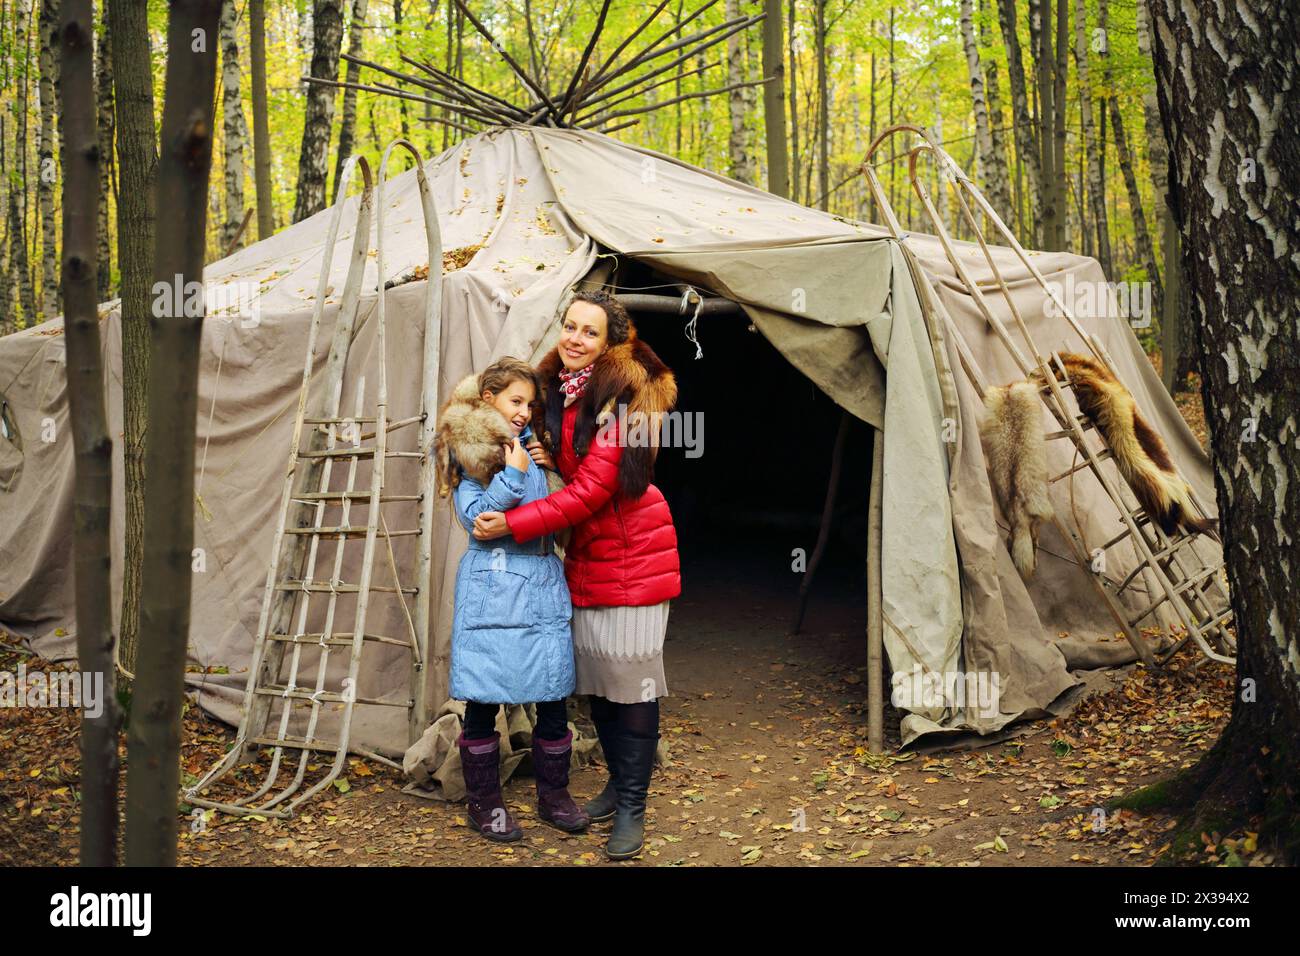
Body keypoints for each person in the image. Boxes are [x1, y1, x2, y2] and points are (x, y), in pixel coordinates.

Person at [473, 290, 681, 859]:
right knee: (601, 686)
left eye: (589, 332)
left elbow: (594, 490)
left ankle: (634, 806)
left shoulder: (627, 399)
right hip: (587, 557)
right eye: (569, 326)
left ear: (610, 344)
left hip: (634, 554)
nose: (574, 338)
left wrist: (511, 525)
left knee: (632, 685)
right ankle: (616, 787)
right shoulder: (556, 398)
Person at [433, 357, 588, 843]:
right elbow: (477, 518)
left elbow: (551, 512)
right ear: (488, 400)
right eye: (514, 401)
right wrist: (514, 475)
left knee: (551, 694)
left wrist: (550, 470)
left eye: (529, 404)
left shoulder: (525, 446)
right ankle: (486, 804)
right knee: (484, 699)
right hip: (496, 586)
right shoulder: (472, 450)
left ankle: (554, 796)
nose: (523, 412)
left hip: (541, 581)